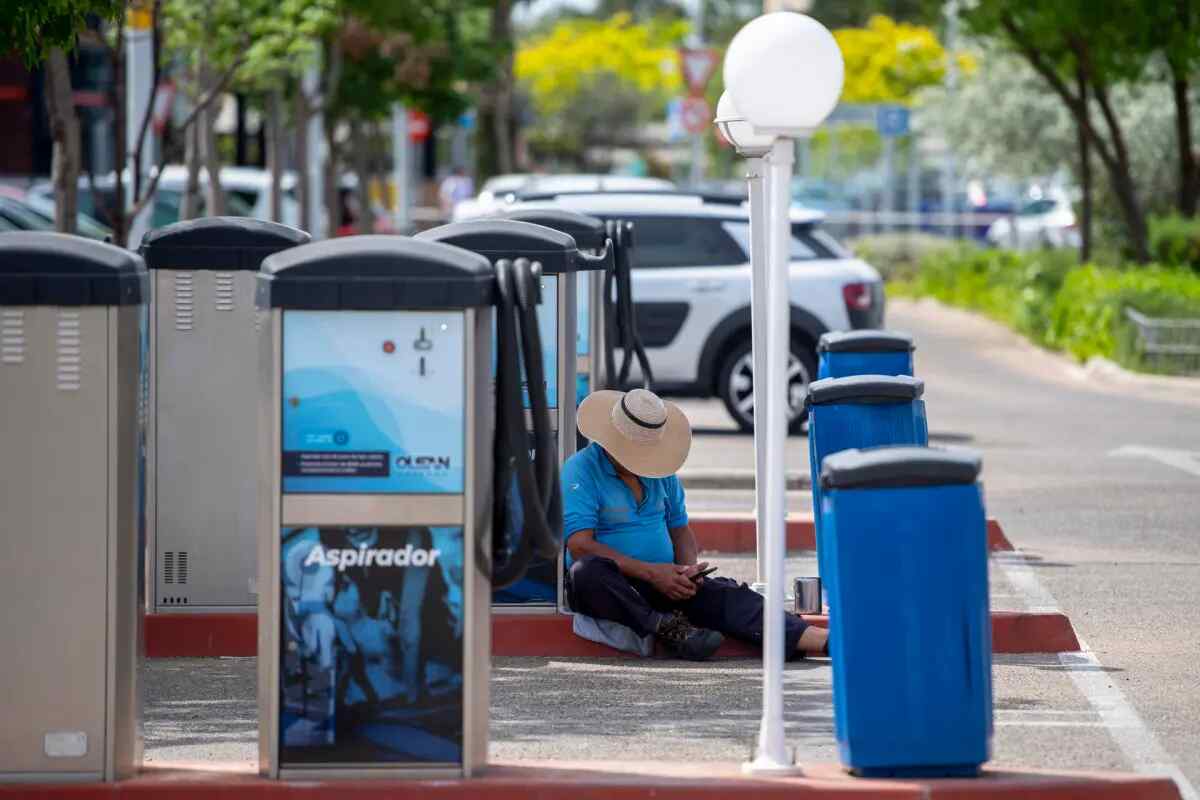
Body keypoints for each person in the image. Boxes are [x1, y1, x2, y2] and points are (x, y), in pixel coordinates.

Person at [563, 388, 829, 661]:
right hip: (618, 585)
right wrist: (653, 573)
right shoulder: (580, 469)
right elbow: (580, 545)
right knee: (586, 572)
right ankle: (665, 627)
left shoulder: (660, 471)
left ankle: (824, 641)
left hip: (665, 582)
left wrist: (687, 572)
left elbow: (680, 531)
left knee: (729, 596)